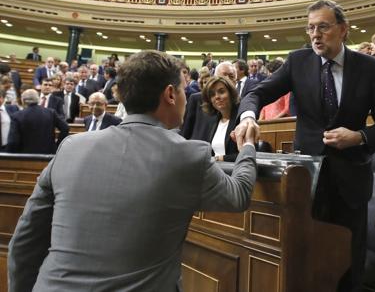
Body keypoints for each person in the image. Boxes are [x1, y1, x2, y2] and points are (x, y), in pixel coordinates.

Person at [8, 50, 258, 291]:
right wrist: (247, 145)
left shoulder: (70, 148)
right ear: (170, 94)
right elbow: (238, 195)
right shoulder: (189, 155)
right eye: (183, 89)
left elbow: (24, 243)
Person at [234, 0, 375, 292]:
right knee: (308, 263)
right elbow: (257, 94)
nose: (315, 35)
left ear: (343, 30)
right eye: (311, 28)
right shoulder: (298, 61)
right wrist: (248, 115)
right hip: (306, 183)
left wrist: (359, 137)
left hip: (351, 182)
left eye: (323, 27)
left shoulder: (369, 67)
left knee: (350, 265)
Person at [7, 89, 69, 154]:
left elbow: (13, 142)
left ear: (23, 101)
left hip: (24, 156)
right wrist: (57, 146)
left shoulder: (16, 116)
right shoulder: (51, 113)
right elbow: (65, 128)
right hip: (48, 154)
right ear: (38, 99)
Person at [194, 76, 240, 161]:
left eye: (221, 92)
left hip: (235, 171)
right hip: (215, 170)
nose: (217, 97)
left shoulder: (241, 120)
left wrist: (219, 158)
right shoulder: (213, 120)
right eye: (212, 94)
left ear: (231, 93)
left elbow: (248, 154)